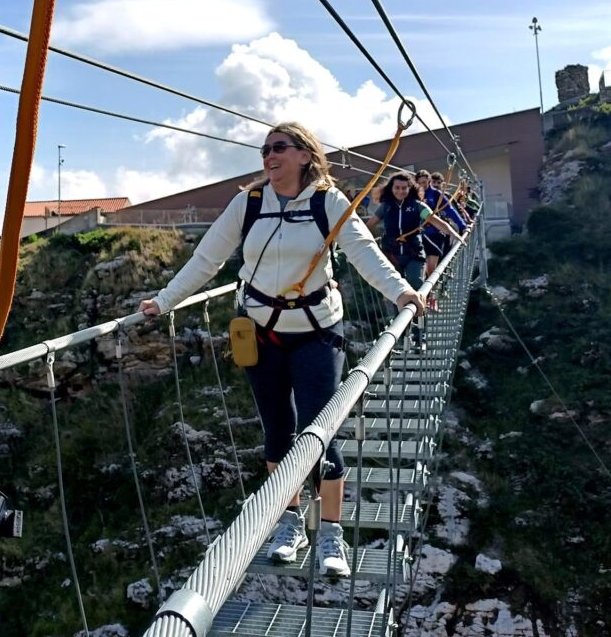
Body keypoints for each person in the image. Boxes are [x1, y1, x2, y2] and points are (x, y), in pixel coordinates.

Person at [138, 122, 425, 578]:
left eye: (279, 148)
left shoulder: (327, 202)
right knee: (277, 431)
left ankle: (330, 533)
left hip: (316, 333)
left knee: (319, 435)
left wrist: (401, 293)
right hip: (263, 333)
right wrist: (164, 301)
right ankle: (290, 522)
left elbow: (363, 250)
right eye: (265, 150)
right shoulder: (249, 204)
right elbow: (207, 258)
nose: (269, 156)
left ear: (306, 155)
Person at [367, 172, 464, 337]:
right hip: (392, 255)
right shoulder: (385, 207)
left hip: (414, 254)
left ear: (410, 188)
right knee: (395, 293)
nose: (400, 191)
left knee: (417, 288)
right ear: (391, 188)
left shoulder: (418, 206)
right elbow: (369, 225)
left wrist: (454, 234)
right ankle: (401, 333)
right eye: (397, 188)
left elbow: (434, 220)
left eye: (404, 188)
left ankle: (420, 332)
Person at [416, 170, 467, 277]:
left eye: (424, 182)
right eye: (419, 183)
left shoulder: (436, 194)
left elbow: (450, 209)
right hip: (419, 235)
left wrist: (462, 225)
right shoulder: (414, 196)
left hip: (434, 233)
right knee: (421, 268)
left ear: (429, 181)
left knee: (432, 268)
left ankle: (436, 289)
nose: (422, 185)